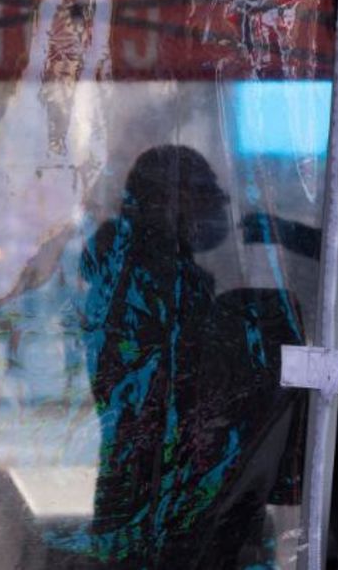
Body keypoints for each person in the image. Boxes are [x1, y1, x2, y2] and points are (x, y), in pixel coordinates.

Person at [81, 145, 234, 568]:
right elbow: (167, 382)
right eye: (202, 193)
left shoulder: (133, 268)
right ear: (169, 201)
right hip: (152, 480)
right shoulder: (149, 280)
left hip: (152, 475)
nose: (216, 204)